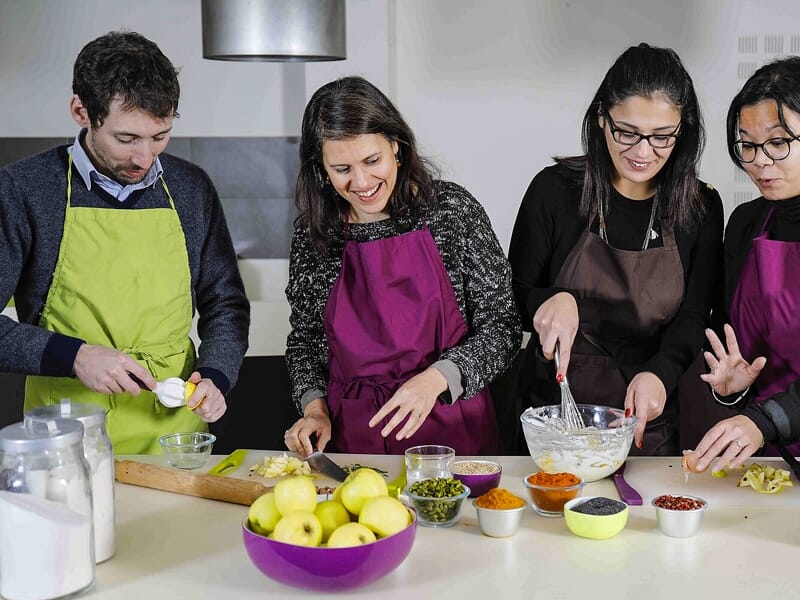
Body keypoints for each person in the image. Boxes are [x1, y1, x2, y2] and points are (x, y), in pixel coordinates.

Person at [0, 31, 250, 454]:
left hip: (174, 435)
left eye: (160, 136)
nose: (145, 158)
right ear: (81, 111)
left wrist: (216, 375)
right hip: (65, 438)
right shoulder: (24, 189)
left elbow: (225, 303)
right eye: (127, 139)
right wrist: (74, 356)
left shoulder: (191, 188)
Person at [283, 76, 521, 457]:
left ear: (396, 145)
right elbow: (306, 341)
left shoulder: (451, 212)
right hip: (354, 441)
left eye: (372, 160)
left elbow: (502, 327)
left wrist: (436, 379)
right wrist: (315, 409)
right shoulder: (314, 235)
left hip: (455, 434)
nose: (362, 181)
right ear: (321, 169)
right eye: (342, 168)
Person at [508, 43, 724, 455]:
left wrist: (661, 374)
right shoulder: (554, 191)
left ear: (683, 130)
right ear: (601, 117)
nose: (643, 152)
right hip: (554, 412)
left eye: (662, 137)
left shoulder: (701, 206)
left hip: (646, 413)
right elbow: (510, 296)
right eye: (626, 132)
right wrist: (548, 300)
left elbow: (695, 316)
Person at [691, 56, 800, 473]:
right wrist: (732, 389)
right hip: (768, 455)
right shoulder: (745, 224)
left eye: (778, 142)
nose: (760, 161)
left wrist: (767, 418)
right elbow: (727, 335)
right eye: (748, 145)